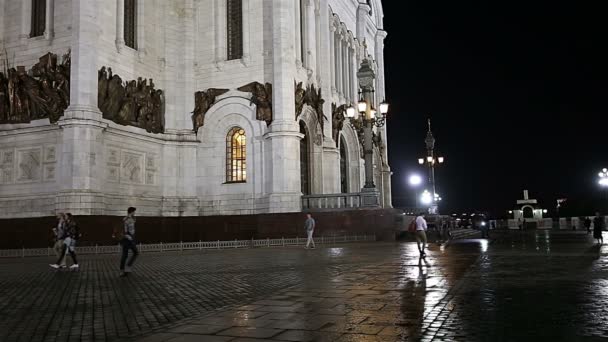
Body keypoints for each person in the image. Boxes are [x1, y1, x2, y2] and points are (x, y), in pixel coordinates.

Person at [120, 207, 139, 276]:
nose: (135, 213)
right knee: (125, 255)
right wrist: (128, 237)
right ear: (131, 212)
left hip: (132, 238)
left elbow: (132, 228)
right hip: (127, 239)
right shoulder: (126, 219)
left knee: (136, 253)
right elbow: (123, 231)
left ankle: (127, 267)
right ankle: (122, 270)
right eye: (134, 211)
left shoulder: (133, 218)